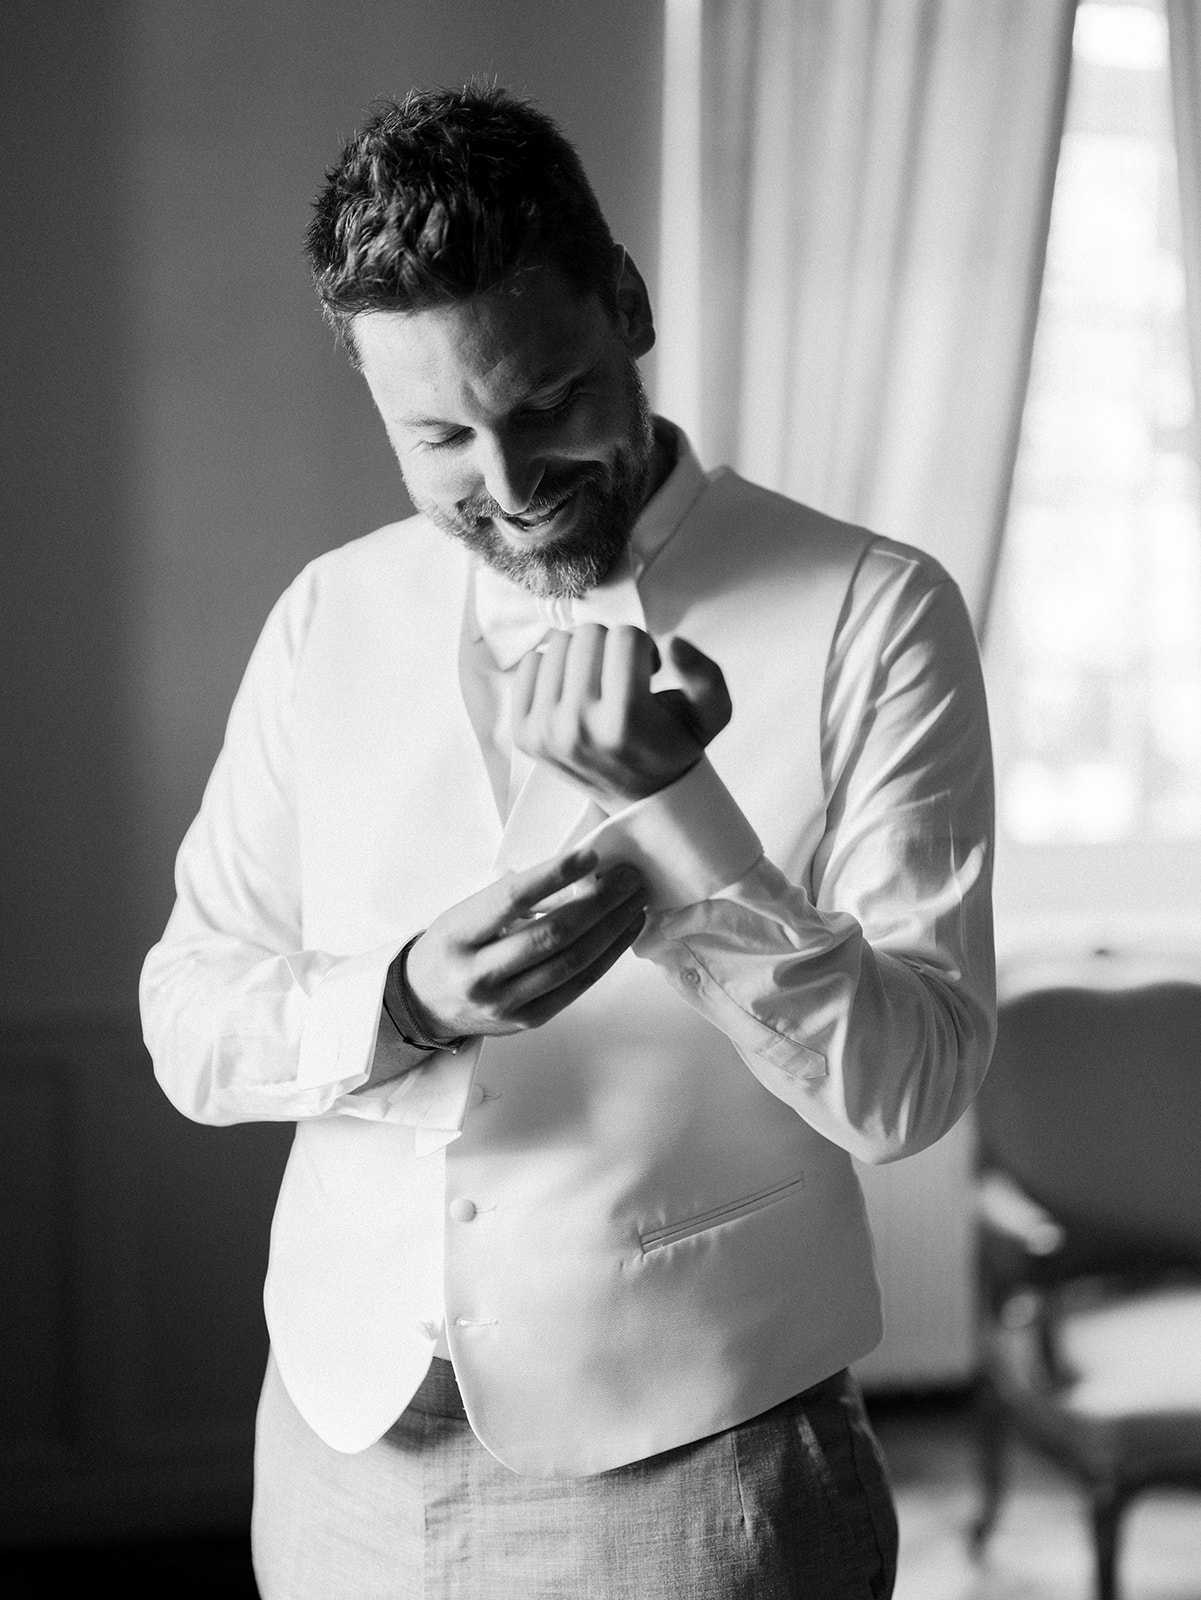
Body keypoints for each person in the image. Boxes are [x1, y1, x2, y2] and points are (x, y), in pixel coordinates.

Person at [140, 81, 995, 1599]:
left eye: (545, 405)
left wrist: (680, 819)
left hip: (700, 1464)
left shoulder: (876, 610)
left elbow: (908, 1089)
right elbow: (188, 1014)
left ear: (629, 307)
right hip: (336, 1452)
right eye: (440, 438)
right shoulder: (330, 613)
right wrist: (404, 999)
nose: (511, 486)